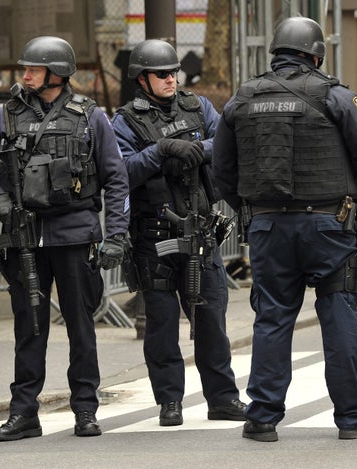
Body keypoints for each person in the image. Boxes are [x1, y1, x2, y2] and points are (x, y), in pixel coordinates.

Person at [212, 17, 357, 441]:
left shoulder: (243, 98)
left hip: (269, 226)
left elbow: (222, 170)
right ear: (316, 55)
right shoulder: (336, 96)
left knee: (272, 317)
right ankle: (350, 419)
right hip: (330, 224)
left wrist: (252, 209)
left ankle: (262, 418)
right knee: (338, 314)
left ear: (275, 53)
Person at [0, 36, 130, 441]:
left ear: (56, 74)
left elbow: (115, 178)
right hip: (24, 238)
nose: (25, 74)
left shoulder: (90, 116)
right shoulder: (6, 115)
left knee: (81, 327)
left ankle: (85, 410)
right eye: (25, 68)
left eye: (34, 68)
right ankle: (24, 412)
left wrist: (115, 234)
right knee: (29, 329)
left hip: (74, 236)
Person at [111, 39, 246, 427]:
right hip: (154, 235)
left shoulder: (197, 106)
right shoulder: (125, 120)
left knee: (211, 321)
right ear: (142, 79)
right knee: (162, 325)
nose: (171, 79)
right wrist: (161, 152)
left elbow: (226, 144)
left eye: (174, 72)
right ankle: (170, 401)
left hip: (201, 230)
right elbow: (120, 171)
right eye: (162, 74)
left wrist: (196, 149)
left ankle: (222, 398)